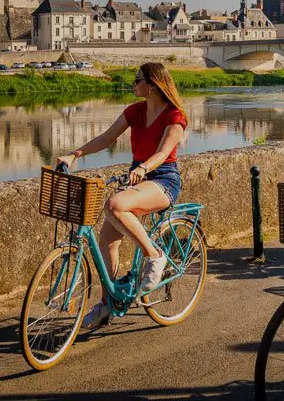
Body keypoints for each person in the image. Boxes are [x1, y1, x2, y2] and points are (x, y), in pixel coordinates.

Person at [56, 62, 187, 329]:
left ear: (152, 85)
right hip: (137, 178)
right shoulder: (134, 112)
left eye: (137, 80)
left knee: (115, 205)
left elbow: (163, 153)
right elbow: (105, 139)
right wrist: (74, 154)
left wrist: (143, 167)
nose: (133, 84)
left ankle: (155, 255)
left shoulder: (175, 116)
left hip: (163, 179)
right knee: (106, 242)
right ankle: (108, 303)